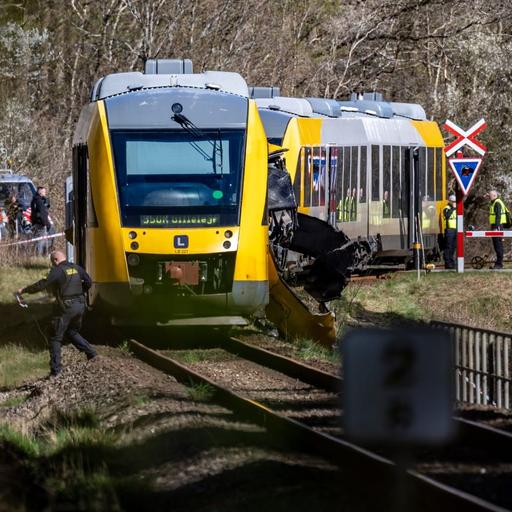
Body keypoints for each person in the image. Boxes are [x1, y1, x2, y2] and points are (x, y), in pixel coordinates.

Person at [17, 250, 97, 376]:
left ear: (55, 260)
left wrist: (24, 290)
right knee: (72, 332)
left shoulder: (58, 270)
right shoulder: (76, 268)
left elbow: (41, 284)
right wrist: (79, 293)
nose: (52, 264)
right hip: (80, 305)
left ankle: (56, 371)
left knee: (55, 337)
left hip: (66, 308)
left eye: (52, 262)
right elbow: (89, 282)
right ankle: (92, 354)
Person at [488, 190, 508, 269]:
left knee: (498, 245)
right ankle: (499, 263)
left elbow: (498, 216)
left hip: (497, 225)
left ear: (494, 196)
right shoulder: (495, 202)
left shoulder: (497, 203)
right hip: (496, 225)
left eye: (490, 195)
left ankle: (499, 264)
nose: (489, 197)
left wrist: (496, 227)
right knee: (496, 245)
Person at [30, 186, 51, 256]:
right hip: (41, 225)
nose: (45, 193)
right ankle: (39, 257)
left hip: (35, 224)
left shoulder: (34, 200)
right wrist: (47, 224)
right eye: (44, 192)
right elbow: (43, 214)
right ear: (40, 192)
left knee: (36, 241)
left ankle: (37, 256)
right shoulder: (39, 201)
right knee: (41, 242)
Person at [440, 194, 457, 270]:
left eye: (455, 201)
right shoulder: (446, 208)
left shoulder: (456, 208)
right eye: (453, 201)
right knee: (448, 247)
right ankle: (447, 263)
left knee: (453, 247)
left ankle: (452, 262)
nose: (454, 203)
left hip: (456, 230)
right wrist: (453, 208)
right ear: (450, 201)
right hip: (449, 230)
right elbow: (447, 215)